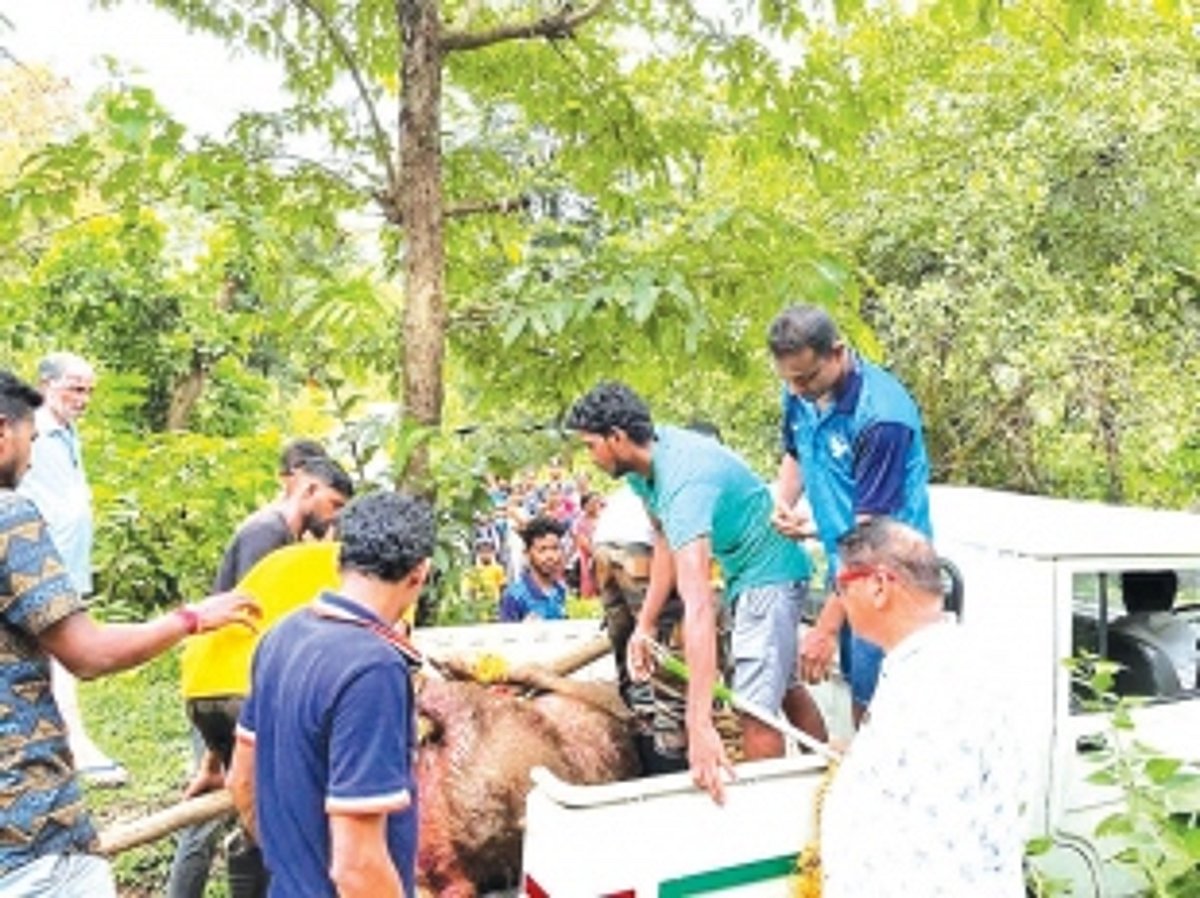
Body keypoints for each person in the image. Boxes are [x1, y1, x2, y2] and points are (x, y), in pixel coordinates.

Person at [0, 369, 258, 895]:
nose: (30, 461)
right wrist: (190, 619)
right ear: (3, 432)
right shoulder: (9, 516)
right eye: (31, 441)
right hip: (31, 837)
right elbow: (88, 653)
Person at [567, 382, 826, 804]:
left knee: (754, 710)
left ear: (616, 437)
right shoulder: (644, 470)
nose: (590, 457)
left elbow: (698, 606)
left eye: (590, 445)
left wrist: (699, 722)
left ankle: (766, 815)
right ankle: (826, 781)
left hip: (770, 575)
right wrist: (645, 624)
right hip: (747, 573)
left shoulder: (684, 481)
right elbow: (664, 538)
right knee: (781, 688)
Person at [228, 490, 435, 898]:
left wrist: (296, 867)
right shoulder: (374, 669)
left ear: (339, 556)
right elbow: (357, 865)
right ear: (419, 573)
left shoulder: (281, 635)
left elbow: (241, 781)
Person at [167, 447, 353, 898]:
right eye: (332, 504)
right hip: (237, 683)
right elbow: (264, 628)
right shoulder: (267, 533)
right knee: (255, 806)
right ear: (307, 487)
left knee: (240, 808)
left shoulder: (284, 540)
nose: (332, 518)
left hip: (214, 683)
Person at [821, 517, 1025, 897]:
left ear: (879, 586)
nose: (840, 601)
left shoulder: (932, 691)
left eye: (840, 587)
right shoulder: (946, 664)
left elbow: (933, 853)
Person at [767, 304, 932, 724]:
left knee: (880, 703)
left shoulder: (882, 418)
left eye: (806, 377)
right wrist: (784, 502)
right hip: (845, 565)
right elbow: (796, 451)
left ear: (837, 353)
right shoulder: (799, 392)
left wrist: (824, 627)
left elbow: (871, 540)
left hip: (889, 576)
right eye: (789, 379)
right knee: (857, 687)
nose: (797, 389)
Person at [16, 352, 128, 786]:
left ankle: (63, 744)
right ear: (46, 384)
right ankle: (74, 746)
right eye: (75, 388)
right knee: (62, 652)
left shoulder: (66, 432)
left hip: (68, 560)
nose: (83, 399)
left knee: (52, 657)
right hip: (39, 563)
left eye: (88, 391)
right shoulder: (30, 431)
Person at [498, 515, 569, 622]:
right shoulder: (514, 596)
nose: (550, 556)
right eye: (542, 550)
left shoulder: (560, 590)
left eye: (555, 548)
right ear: (527, 553)